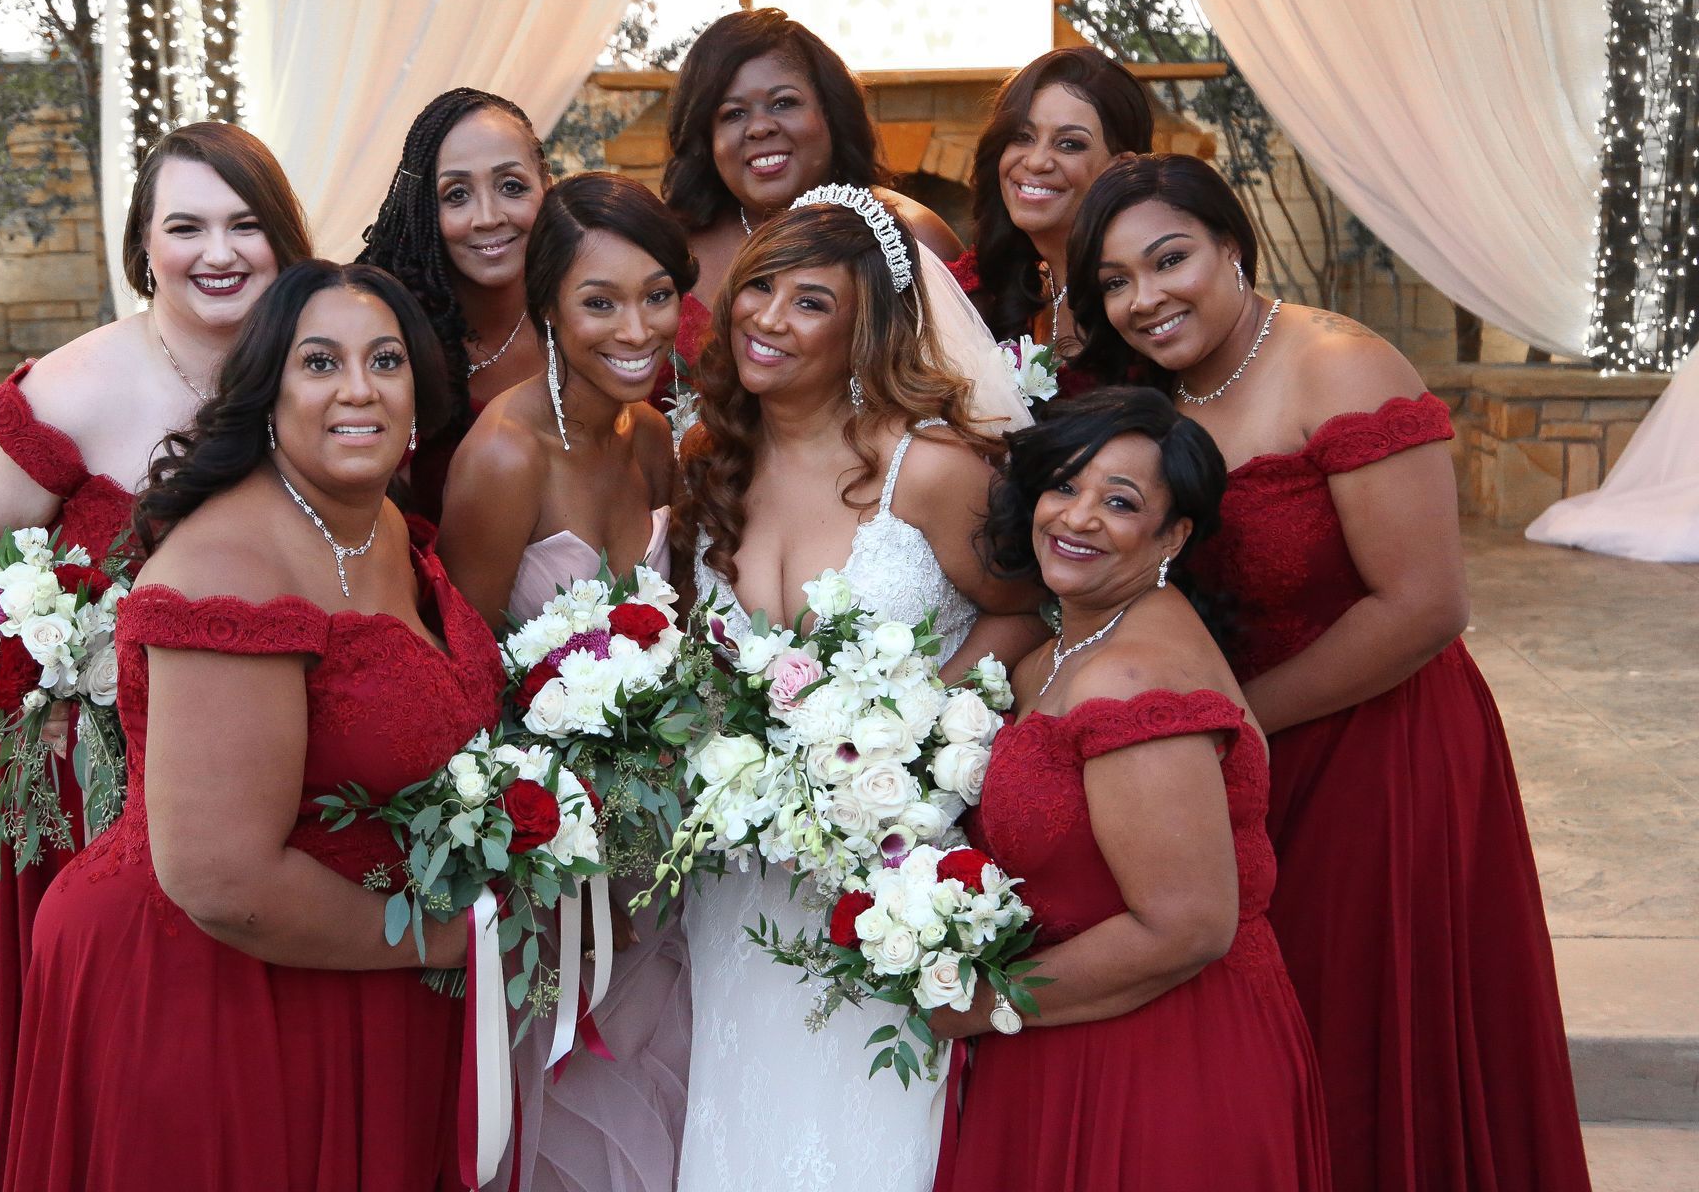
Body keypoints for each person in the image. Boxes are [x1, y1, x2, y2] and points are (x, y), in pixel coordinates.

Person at [1068, 153, 1592, 1192]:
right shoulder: (1155, 398)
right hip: (1240, 756)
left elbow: (1427, 603)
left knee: (1362, 1028)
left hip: (1377, 747)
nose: (1145, 297)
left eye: (1168, 259)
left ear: (1231, 245)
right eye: (1116, 281)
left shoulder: (1339, 365)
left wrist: (1235, 722)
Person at [0, 261, 494, 1190]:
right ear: (266, 393)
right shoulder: (227, 566)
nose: (359, 388)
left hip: (343, 969)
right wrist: (446, 938)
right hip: (211, 988)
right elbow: (224, 879)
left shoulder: (381, 522)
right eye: (320, 363)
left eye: (385, 360)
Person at [0, 122, 311, 1192]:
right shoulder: (73, 385)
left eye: (244, 224)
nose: (217, 251)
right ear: (143, 247)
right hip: (65, 743)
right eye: (185, 226)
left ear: (283, 239)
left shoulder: (315, 368)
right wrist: (37, 665)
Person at [674, 189, 1043, 1192]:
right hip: (742, 874)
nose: (766, 317)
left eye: (808, 302)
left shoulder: (927, 471)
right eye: (758, 288)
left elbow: (1028, 612)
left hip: (887, 859)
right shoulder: (710, 462)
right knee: (743, 1107)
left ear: (863, 329)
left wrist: (913, 732)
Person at [934, 387, 1329, 1190]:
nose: (1077, 518)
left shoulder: (1133, 680)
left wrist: (977, 1005)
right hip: (1078, 1030)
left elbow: (1184, 927)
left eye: (1119, 502)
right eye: (1064, 486)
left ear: (1174, 533)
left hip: (1159, 1061)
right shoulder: (1073, 639)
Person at [437, 172, 695, 1191]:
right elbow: (462, 679)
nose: (637, 327)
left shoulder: (651, 433)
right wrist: (564, 852)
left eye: (659, 292)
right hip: (558, 858)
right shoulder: (504, 455)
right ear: (547, 303)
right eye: (600, 301)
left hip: (658, 841)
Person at [659, 7, 964, 390]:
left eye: (783, 102)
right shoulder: (671, 250)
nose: (759, 127)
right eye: (733, 114)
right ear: (706, 138)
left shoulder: (909, 236)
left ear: (829, 112)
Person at [358, 87, 550, 520]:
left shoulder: (585, 314)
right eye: (457, 195)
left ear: (545, 186)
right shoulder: (389, 338)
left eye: (511, 186)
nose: (488, 216)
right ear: (424, 209)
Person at [955, 46, 1152, 394]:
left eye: (1069, 144)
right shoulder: (1003, 287)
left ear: (1120, 167)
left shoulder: (1144, 300)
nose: (1036, 161)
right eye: (1022, 137)